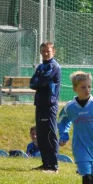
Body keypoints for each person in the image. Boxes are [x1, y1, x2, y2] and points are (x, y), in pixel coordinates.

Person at [30, 41, 61, 172]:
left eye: (48, 51)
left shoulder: (54, 66)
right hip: (40, 104)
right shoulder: (41, 67)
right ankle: (45, 163)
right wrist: (38, 81)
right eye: (43, 51)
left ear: (53, 51)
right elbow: (32, 83)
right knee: (41, 135)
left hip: (50, 105)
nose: (45, 53)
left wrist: (39, 80)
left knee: (50, 135)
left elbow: (42, 81)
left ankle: (53, 165)